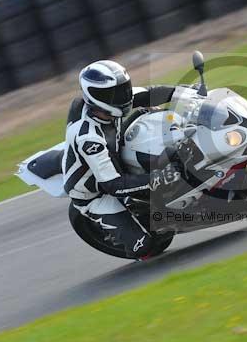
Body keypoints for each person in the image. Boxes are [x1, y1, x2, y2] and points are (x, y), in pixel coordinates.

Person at [63, 60, 180, 260]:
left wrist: (183, 92)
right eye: (115, 93)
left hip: (115, 153)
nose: (123, 97)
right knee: (144, 247)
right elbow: (112, 185)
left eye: (123, 89)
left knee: (161, 128)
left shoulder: (110, 103)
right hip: (96, 193)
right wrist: (158, 178)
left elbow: (148, 93)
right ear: (95, 96)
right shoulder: (89, 138)